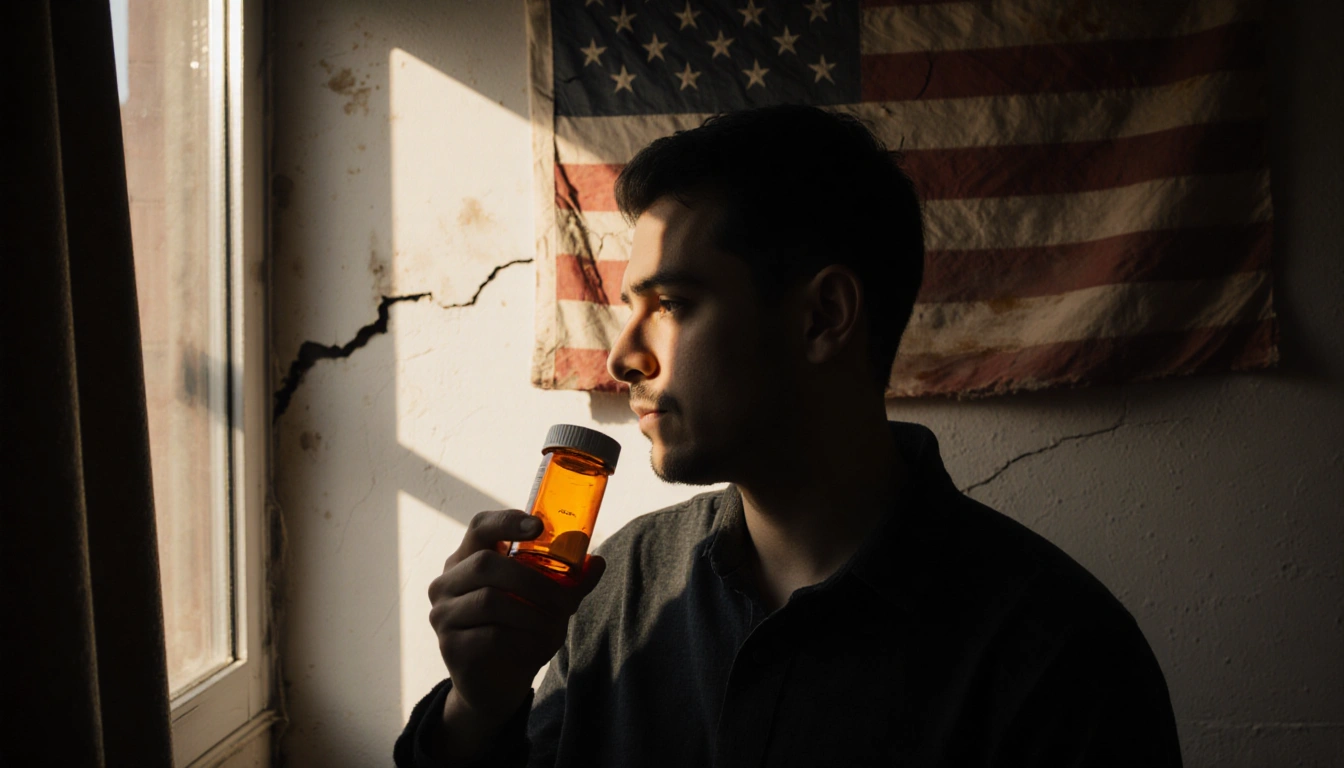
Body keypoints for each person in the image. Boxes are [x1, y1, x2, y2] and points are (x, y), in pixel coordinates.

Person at [395, 105, 1182, 767]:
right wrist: (479, 706)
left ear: (822, 317)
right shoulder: (622, 584)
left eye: (671, 303)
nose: (621, 358)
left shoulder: (1059, 655)